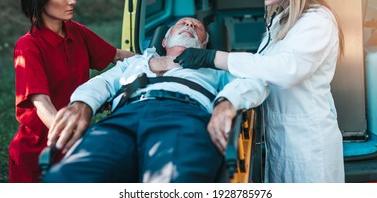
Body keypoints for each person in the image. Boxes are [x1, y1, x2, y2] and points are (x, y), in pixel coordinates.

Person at [174, 0, 345, 183]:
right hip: (282, 138)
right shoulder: (281, 20)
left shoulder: (317, 21)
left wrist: (213, 57)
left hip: (309, 143)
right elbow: (260, 71)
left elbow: (286, 70)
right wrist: (228, 99)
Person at [41, 17, 268, 183]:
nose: (189, 25)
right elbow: (102, 82)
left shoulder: (214, 66)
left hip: (183, 119)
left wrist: (227, 101)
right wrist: (82, 103)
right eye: (182, 23)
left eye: (197, 27)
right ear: (165, 39)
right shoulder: (135, 62)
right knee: (69, 179)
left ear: (205, 43)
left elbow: (256, 80)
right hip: (121, 121)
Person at [9, 0, 135, 183]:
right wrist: (72, 139)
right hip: (41, 150)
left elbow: (116, 55)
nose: (72, 0)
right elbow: (42, 104)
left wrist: (153, 61)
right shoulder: (28, 46)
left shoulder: (75, 30)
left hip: (75, 140)